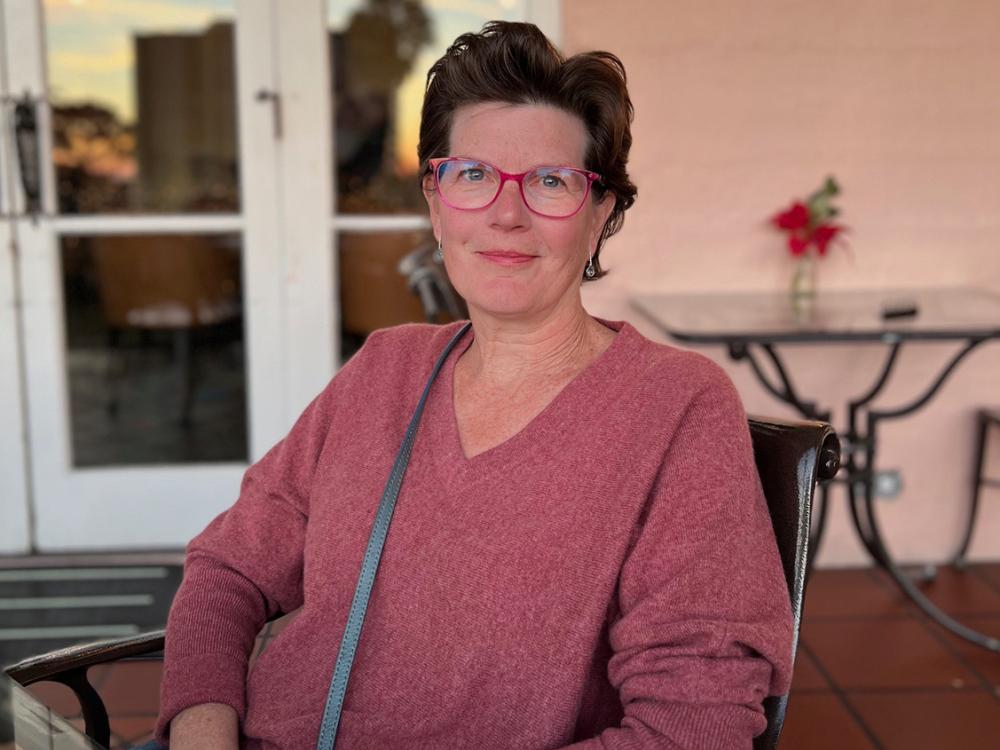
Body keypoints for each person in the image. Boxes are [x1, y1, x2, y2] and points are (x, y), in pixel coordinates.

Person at [155, 21, 792, 750]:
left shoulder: (676, 408)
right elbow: (227, 570)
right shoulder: (383, 371)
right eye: (473, 175)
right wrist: (202, 730)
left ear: (600, 215)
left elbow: (694, 725)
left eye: (551, 182)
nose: (506, 214)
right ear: (435, 201)